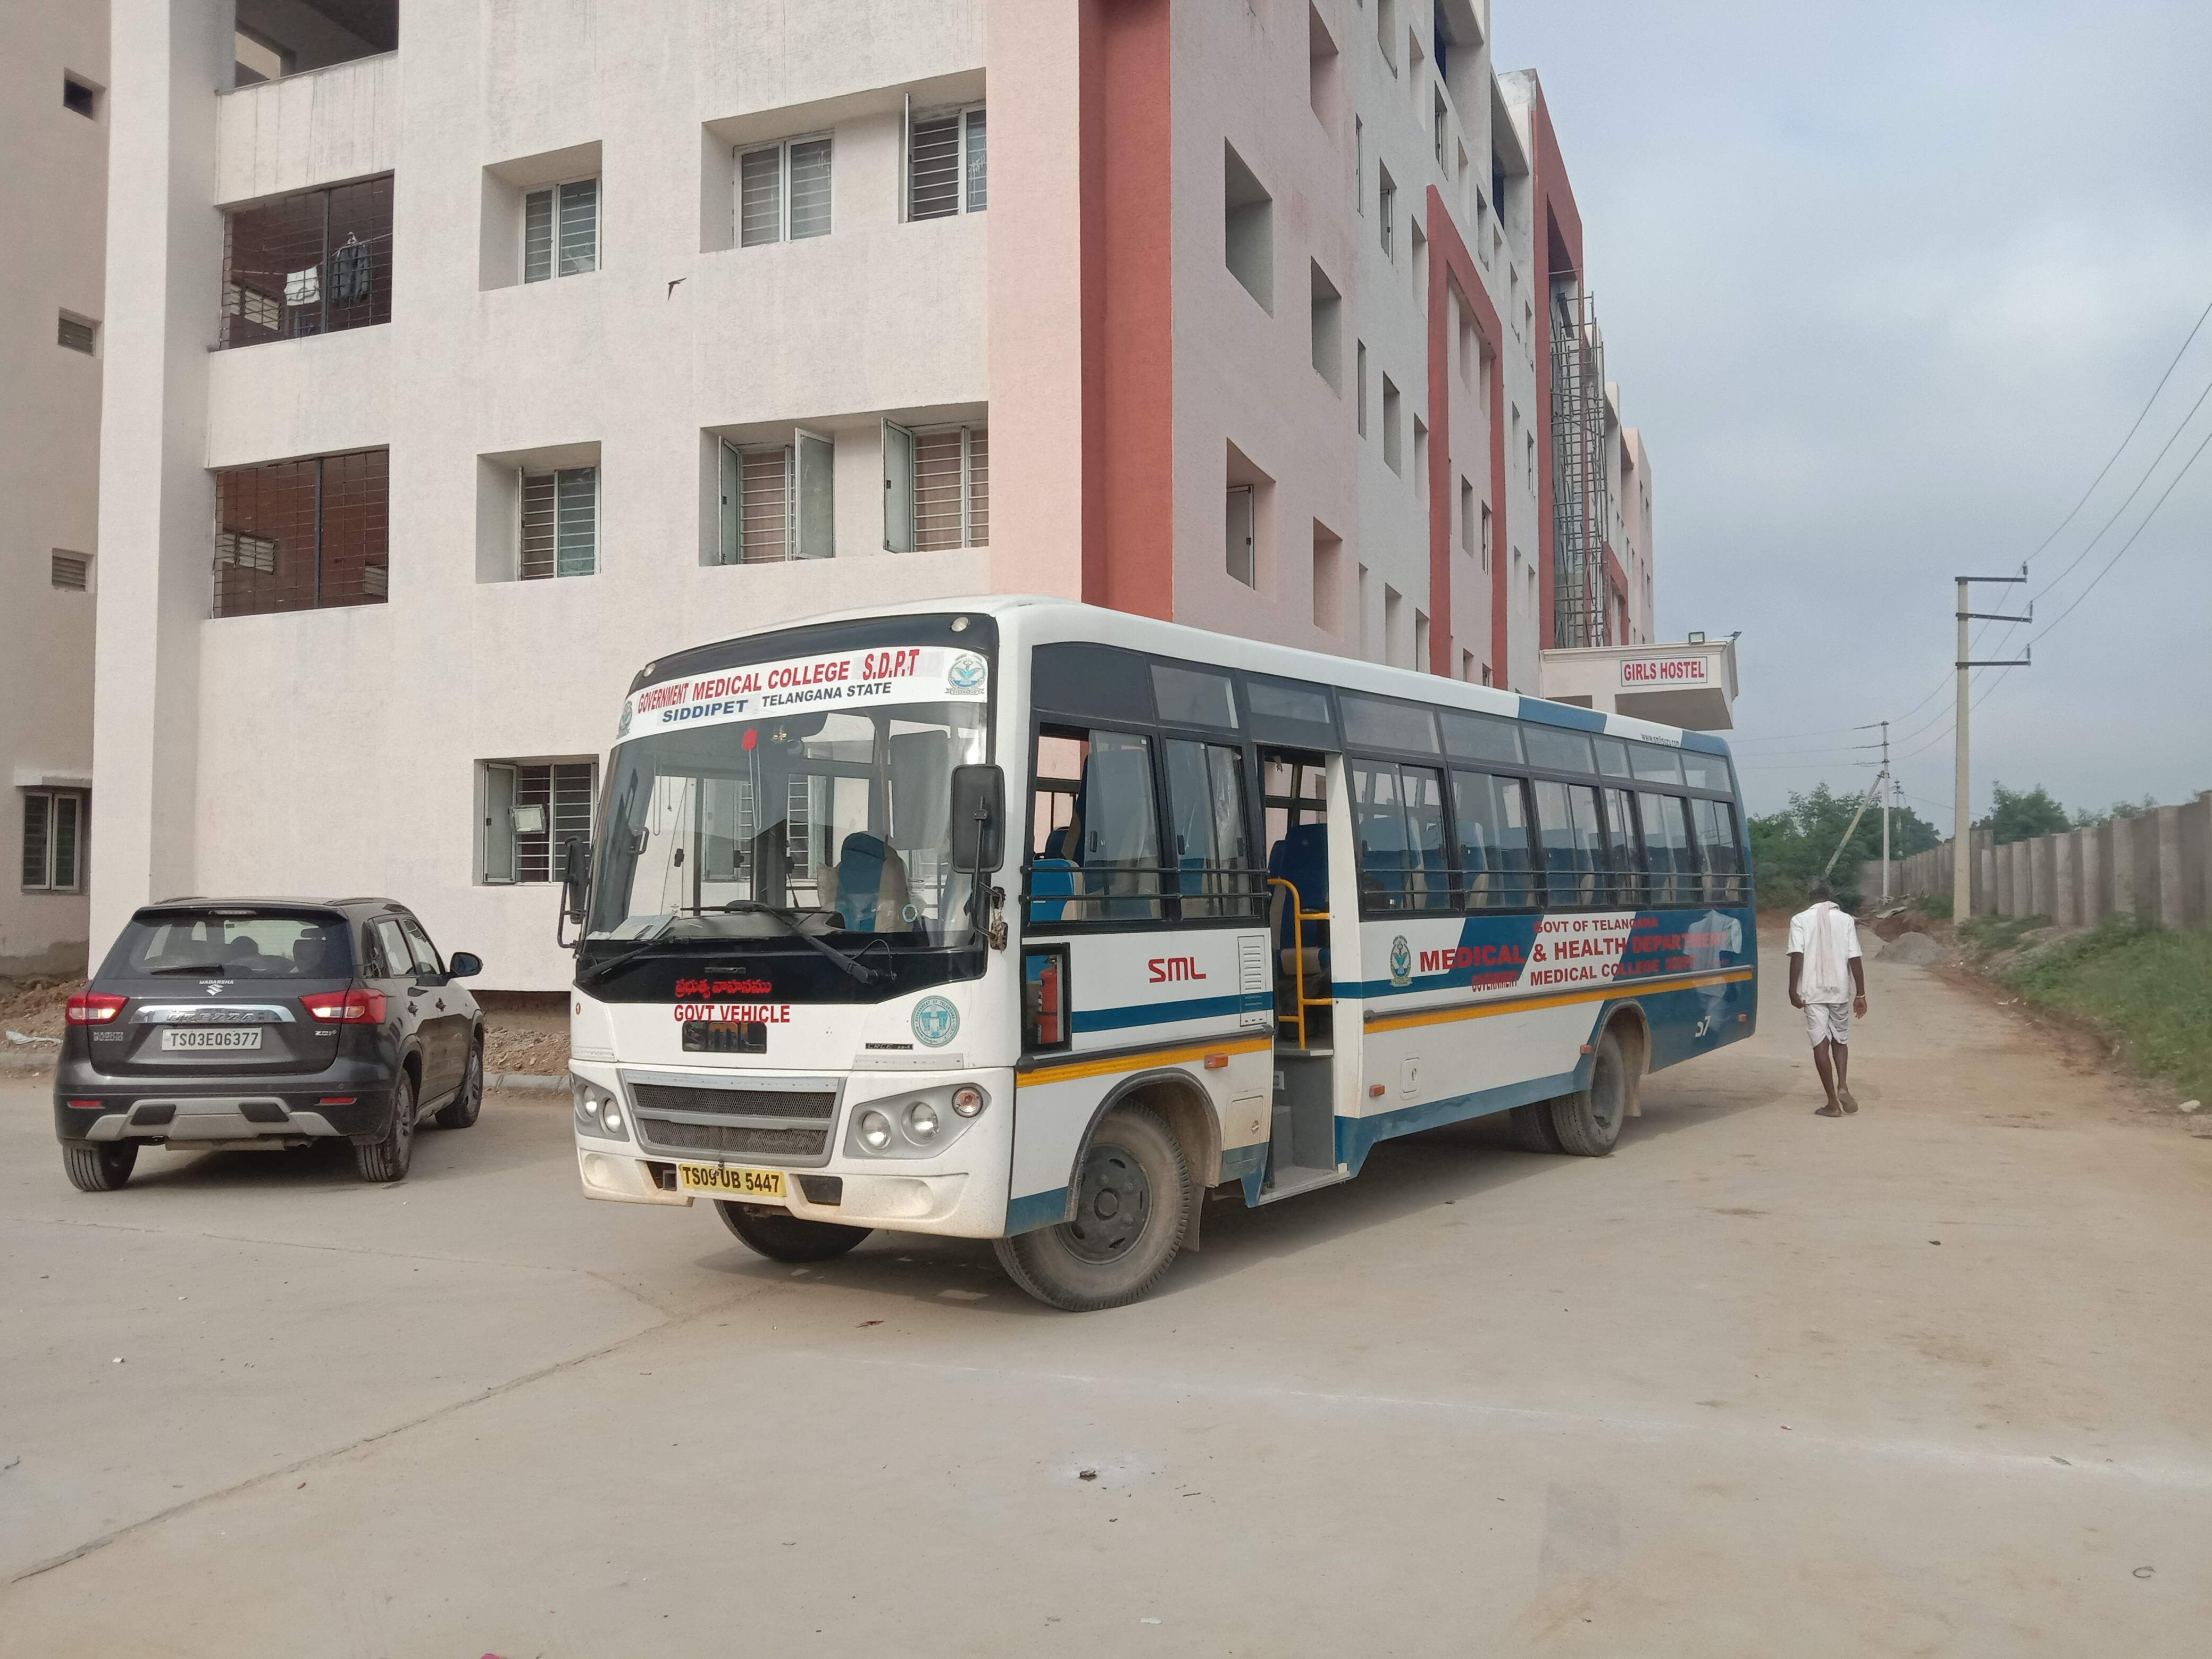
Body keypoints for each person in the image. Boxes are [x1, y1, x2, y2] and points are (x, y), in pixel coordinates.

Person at [1787, 880, 1867, 1118]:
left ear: (1810, 896)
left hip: (1813, 991)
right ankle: (1843, 1085)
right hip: (1839, 990)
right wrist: (1860, 993)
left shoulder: (1800, 920)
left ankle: (1833, 1103)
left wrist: (1793, 988)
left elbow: (1797, 956)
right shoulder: (1845, 920)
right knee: (1840, 1040)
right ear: (1832, 896)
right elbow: (1855, 958)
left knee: (1820, 1042)